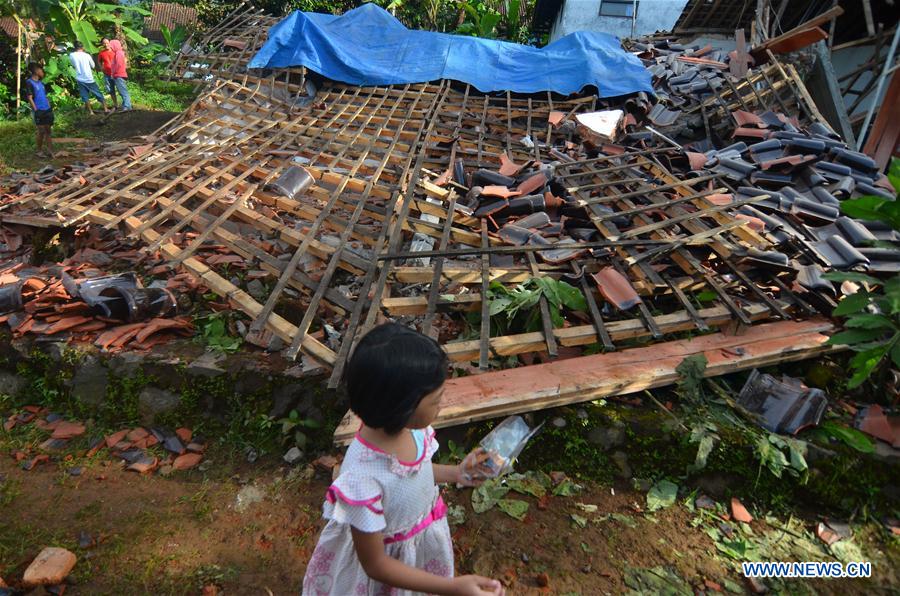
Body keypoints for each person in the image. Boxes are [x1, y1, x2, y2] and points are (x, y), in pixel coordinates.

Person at [302, 323, 504, 596]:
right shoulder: (362, 480)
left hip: (417, 548)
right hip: (389, 572)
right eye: (436, 400)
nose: (441, 405)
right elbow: (375, 565)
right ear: (404, 407)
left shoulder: (413, 431)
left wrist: (457, 473)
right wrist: (452, 587)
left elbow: (415, 473)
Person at [24, 63, 54, 159]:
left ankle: (50, 150)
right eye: (41, 70)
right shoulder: (29, 82)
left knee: (48, 130)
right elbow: (30, 97)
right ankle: (39, 151)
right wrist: (36, 110)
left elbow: (45, 96)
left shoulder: (41, 83)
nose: (42, 72)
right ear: (36, 71)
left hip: (47, 109)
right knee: (41, 131)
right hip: (39, 110)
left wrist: (49, 107)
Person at [68, 41, 107, 114]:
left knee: (85, 96)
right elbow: (93, 66)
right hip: (89, 78)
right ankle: (105, 109)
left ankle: (91, 112)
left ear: (75, 47)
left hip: (80, 78)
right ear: (82, 47)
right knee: (98, 93)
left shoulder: (72, 55)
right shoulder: (87, 55)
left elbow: (73, 65)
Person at [108, 39, 132, 111]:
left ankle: (127, 106)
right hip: (118, 75)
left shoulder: (119, 53)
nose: (111, 47)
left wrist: (113, 73)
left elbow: (118, 64)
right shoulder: (118, 53)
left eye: (111, 46)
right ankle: (126, 105)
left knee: (123, 92)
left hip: (119, 75)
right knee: (122, 91)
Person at [98, 38, 117, 109]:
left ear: (110, 43)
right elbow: (99, 61)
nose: (106, 44)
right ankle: (116, 104)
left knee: (120, 88)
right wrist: (101, 67)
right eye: (104, 43)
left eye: (107, 43)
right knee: (110, 90)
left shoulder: (115, 51)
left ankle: (126, 104)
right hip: (107, 74)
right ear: (102, 44)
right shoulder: (101, 53)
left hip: (116, 74)